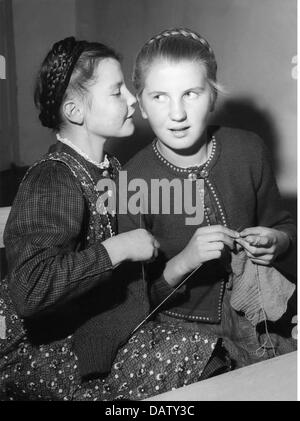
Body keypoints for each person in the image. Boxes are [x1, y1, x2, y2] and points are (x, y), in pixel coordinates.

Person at [0, 36, 223, 401]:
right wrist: (116, 248)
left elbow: (137, 277)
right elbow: (30, 289)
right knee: (200, 369)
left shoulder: (113, 171)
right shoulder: (52, 178)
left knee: (211, 360)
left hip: (101, 327)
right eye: (117, 92)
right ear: (75, 112)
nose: (133, 99)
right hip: (42, 348)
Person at [117, 28, 297, 374]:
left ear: (213, 95)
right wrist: (184, 261)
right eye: (159, 97)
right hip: (182, 330)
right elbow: (133, 302)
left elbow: (283, 225)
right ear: (140, 105)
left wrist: (279, 240)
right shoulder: (131, 180)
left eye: (191, 93)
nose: (177, 113)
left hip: (261, 314)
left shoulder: (249, 149)